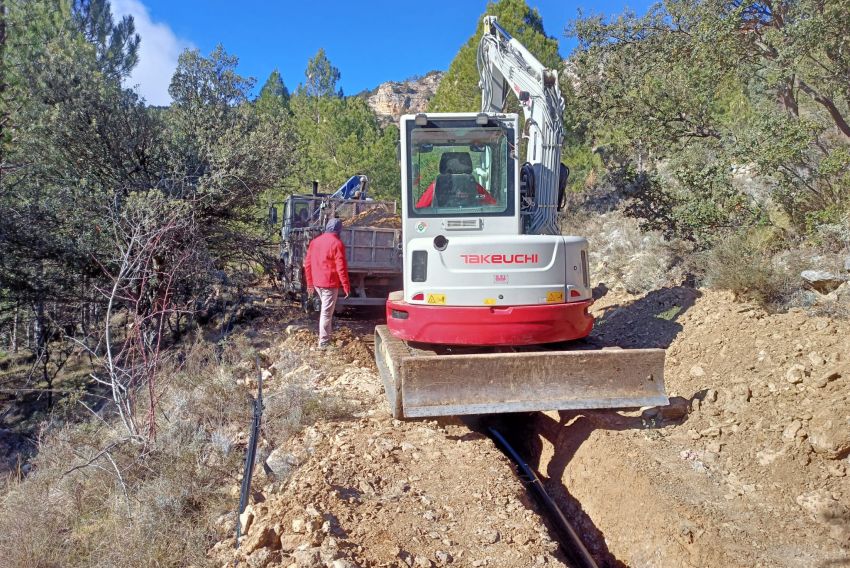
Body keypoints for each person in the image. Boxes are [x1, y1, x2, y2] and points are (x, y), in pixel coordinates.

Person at [304, 218, 351, 348]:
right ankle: (324, 342)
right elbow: (341, 267)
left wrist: (309, 283)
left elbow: (307, 264)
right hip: (329, 284)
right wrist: (346, 286)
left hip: (317, 283)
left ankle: (326, 337)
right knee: (326, 313)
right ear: (339, 230)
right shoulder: (337, 243)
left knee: (326, 312)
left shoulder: (314, 242)